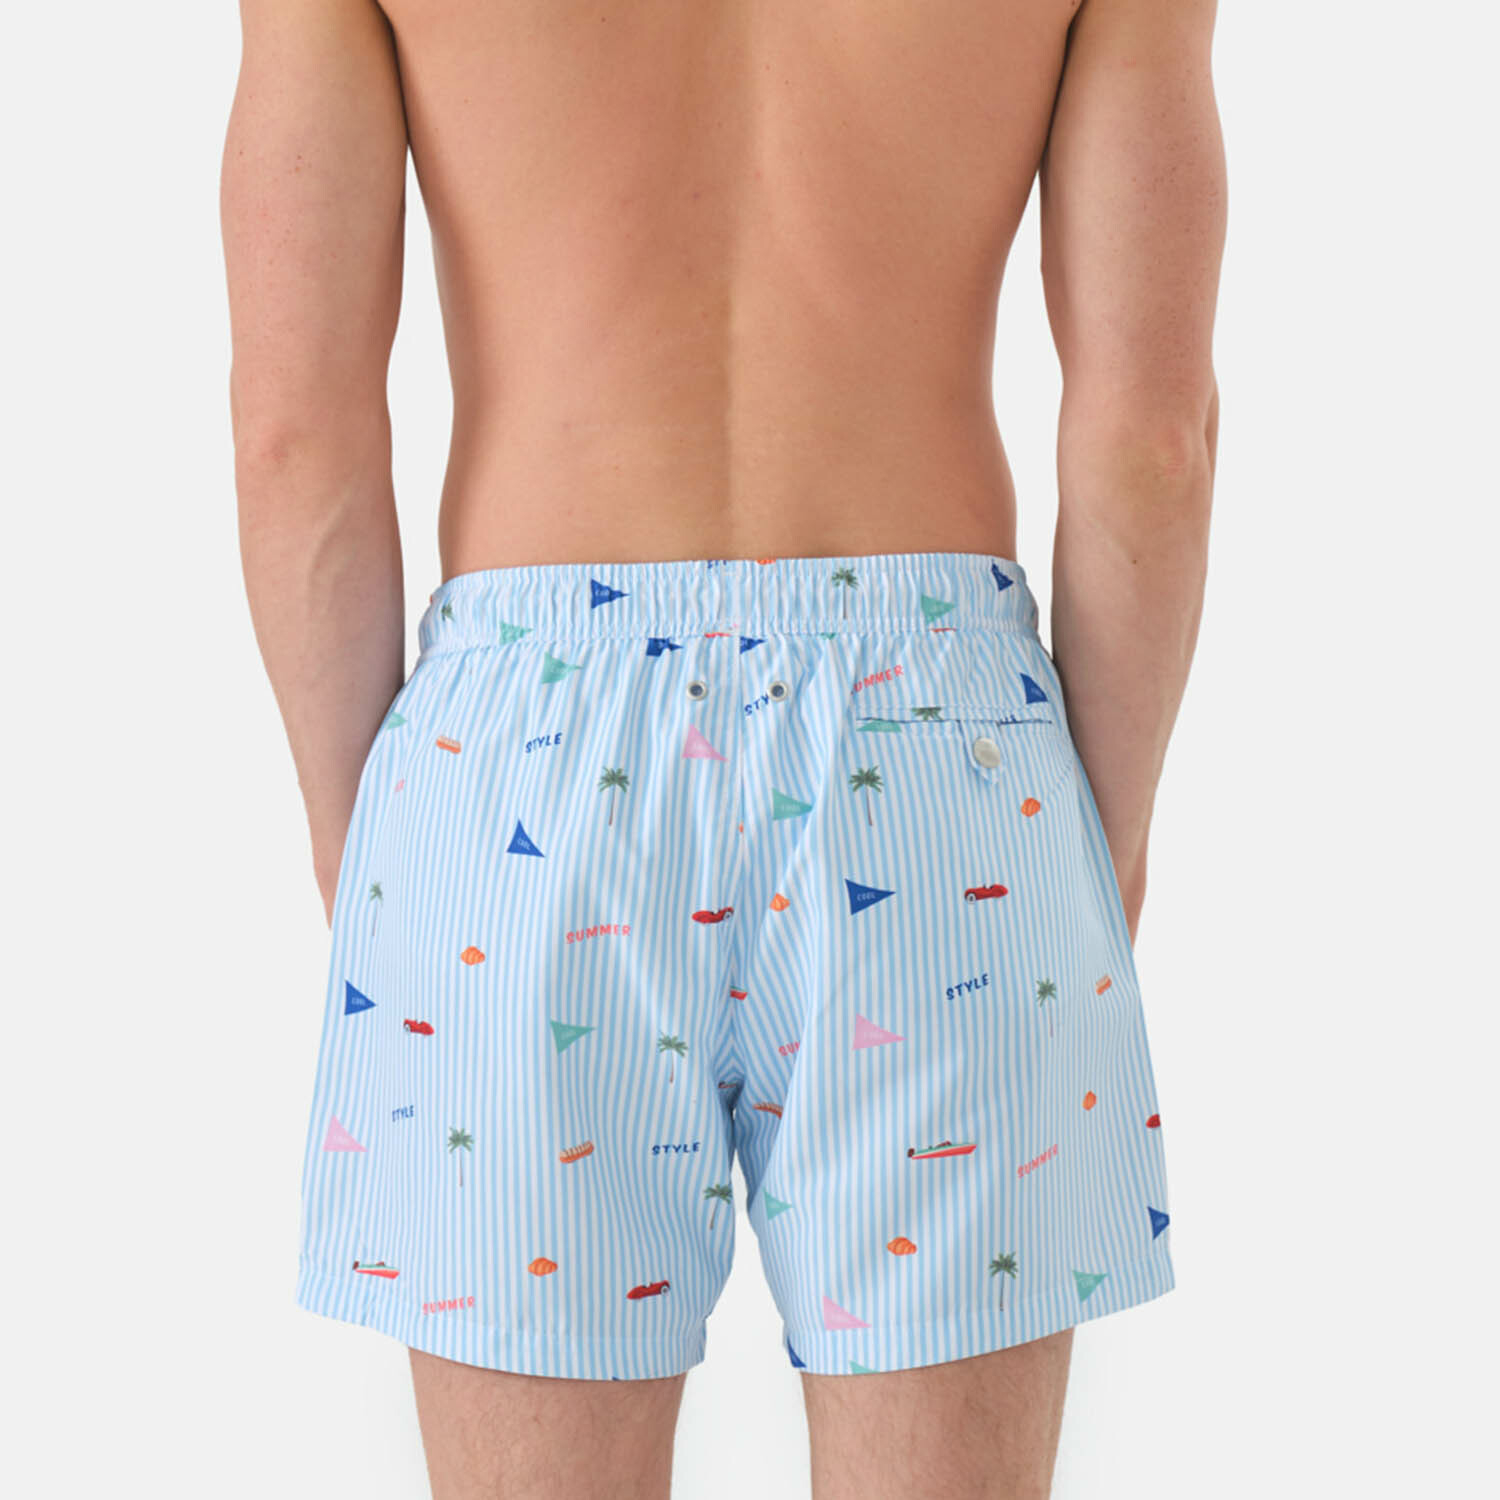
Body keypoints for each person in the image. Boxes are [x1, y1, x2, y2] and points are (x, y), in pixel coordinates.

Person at [221, 0, 1224, 1492]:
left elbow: (294, 434)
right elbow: (1150, 441)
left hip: (518, 763)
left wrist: (356, 833)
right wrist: (1105, 837)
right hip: (935, 744)